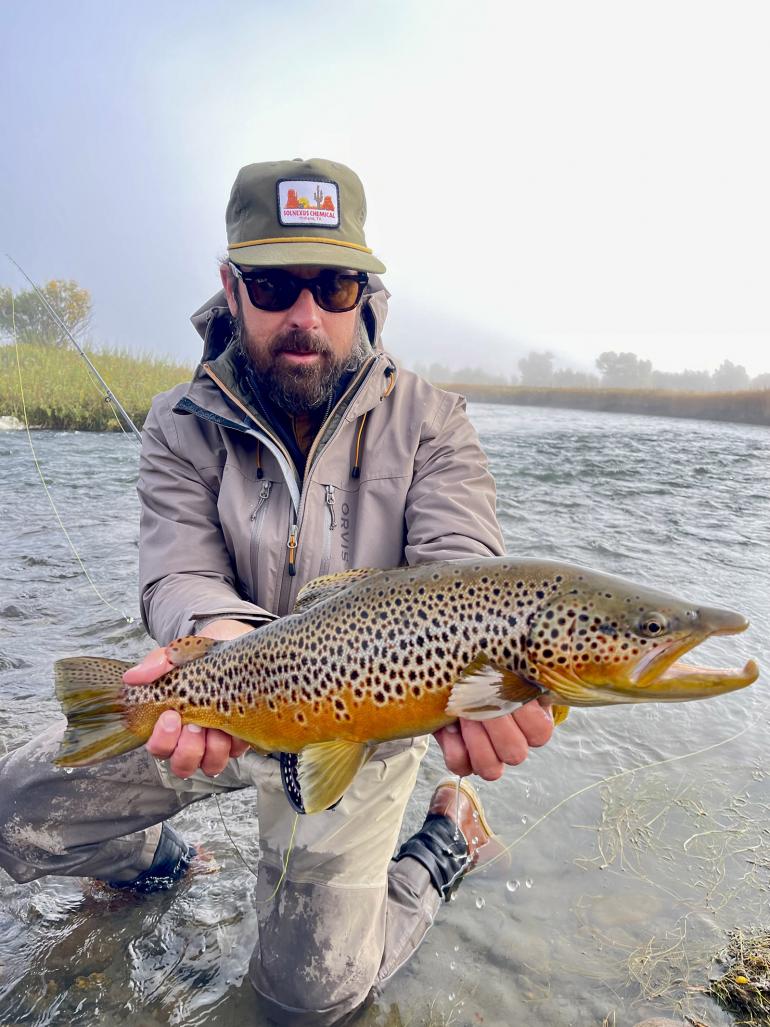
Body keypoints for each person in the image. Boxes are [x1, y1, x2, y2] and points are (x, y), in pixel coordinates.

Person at [0, 158, 554, 1024]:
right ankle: (156, 861)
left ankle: (441, 850)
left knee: (304, 1002)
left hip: (357, 733)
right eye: (272, 283)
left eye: (333, 285)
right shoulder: (178, 422)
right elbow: (178, 573)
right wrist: (219, 644)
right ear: (231, 285)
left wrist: (492, 666)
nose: (306, 316)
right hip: (223, 698)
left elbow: (464, 574)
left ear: (366, 291)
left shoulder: (433, 422)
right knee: (16, 811)